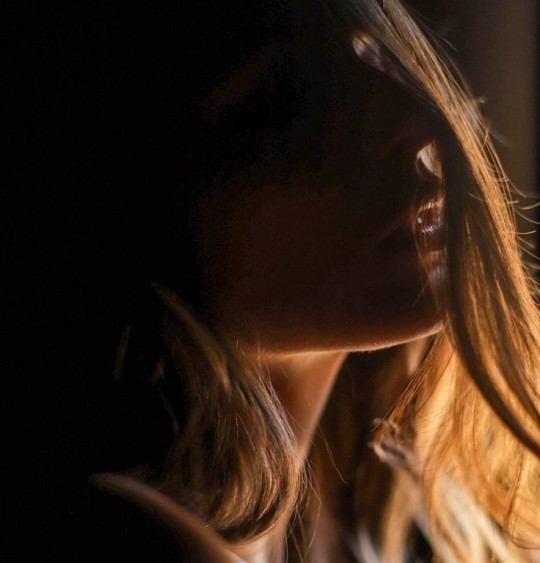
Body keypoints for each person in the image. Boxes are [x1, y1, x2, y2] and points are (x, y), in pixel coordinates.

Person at [3, 0, 539, 561]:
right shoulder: (123, 538)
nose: (420, 119)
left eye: (379, 59)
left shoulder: (381, 520)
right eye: (285, 99)